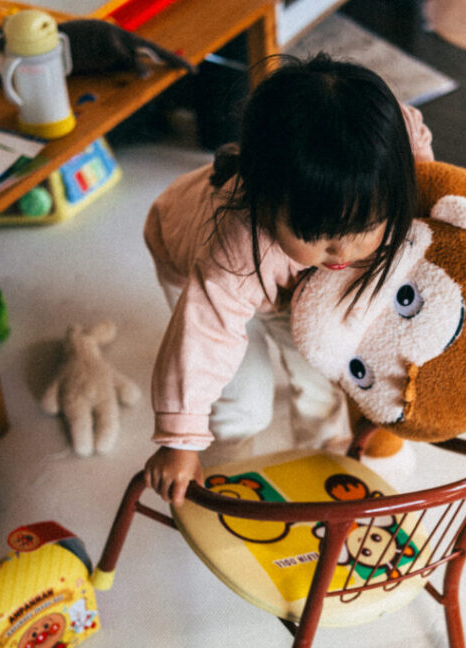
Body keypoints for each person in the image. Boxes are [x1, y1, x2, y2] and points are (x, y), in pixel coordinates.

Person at [142, 53, 434, 507]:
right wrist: (180, 442)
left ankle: (325, 455)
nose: (342, 253)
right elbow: (203, 335)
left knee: (324, 376)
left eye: (363, 228)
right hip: (197, 269)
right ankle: (219, 475)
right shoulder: (236, 246)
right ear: (264, 198)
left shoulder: (392, 155)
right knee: (243, 403)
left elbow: (412, 136)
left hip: (293, 288)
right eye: (315, 235)